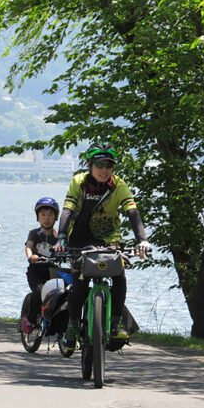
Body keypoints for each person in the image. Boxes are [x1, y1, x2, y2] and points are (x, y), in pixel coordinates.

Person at [54, 143, 150, 349]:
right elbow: (67, 210)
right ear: (90, 165)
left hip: (109, 240)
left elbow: (133, 213)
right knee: (79, 283)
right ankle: (72, 325)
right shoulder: (78, 182)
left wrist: (142, 239)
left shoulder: (119, 185)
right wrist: (61, 237)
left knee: (119, 276)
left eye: (109, 165)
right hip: (79, 240)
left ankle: (115, 323)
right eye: (99, 164)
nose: (104, 170)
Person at [20, 197, 60, 334]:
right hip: (36, 272)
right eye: (43, 215)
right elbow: (29, 246)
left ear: (56, 217)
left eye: (50, 215)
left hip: (54, 271)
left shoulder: (58, 236)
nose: (46, 218)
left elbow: (65, 248)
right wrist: (31, 256)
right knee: (40, 292)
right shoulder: (34, 233)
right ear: (38, 217)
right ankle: (29, 320)